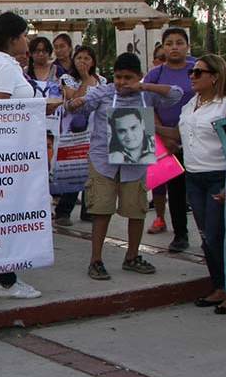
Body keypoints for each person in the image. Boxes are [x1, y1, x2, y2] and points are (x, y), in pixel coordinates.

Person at [68, 52, 182, 281]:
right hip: (103, 163)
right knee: (101, 211)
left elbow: (175, 95)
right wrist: (76, 103)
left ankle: (132, 257)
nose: (121, 82)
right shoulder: (104, 92)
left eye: (128, 78)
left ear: (139, 76)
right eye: (118, 77)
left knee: (136, 211)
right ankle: (96, 261)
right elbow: (77, 107)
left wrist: (144, 87)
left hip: (135, 163)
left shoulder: (147, 95)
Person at [0, 13, 64, 298]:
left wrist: (38, 106)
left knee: (4, 216)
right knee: (6, 216)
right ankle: (7, 281)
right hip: (6, 153)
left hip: (11, 151)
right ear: (13, 39)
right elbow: (0, 111)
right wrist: (38, 107)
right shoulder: (3, 68)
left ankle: (0, 272)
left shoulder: (4, 65)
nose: (27, 41)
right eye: (24, 36)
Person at [179, 55, 226, 314]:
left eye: (198, 72)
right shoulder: (190, 105)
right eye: (192, 73)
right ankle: (218, 285)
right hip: (194, 176)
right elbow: (180, 137)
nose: (192, 77)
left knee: (219, 234)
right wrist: (149, 125)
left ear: (214, 76)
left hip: (219, 176)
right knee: (207, 236)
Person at [144, 28, 197, 253]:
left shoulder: (198, 68)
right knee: (175, 190)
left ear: (187, 46)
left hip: (196, 138)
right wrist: (164, 136)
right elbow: (147, 105)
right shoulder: (155, 74)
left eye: (179, 42)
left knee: (199, 188)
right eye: (169, 43)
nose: (174, 47)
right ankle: (180, 235)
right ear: (163, 48)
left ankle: (210, 234)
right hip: (168, 140)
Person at [55, 45, 104, 225]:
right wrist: (84, 80)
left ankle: (88, 209)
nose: (83, 62)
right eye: (79, 58)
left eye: (87, 58)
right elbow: (72, 101)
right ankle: (63, 211)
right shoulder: (67, 79)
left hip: (96, 131)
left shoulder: (101, 81)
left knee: (93, 171)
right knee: (74, 170)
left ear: (93, 62)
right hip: (74, 132)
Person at [148, 44, 170, 235]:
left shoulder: (189, 73)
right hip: (159, 136)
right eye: (161, 58)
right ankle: (160, 217)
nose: (164, 61)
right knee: (159, 180)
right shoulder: (152, 78)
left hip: (183, 135)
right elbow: (148, 106)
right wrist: (161, 132)